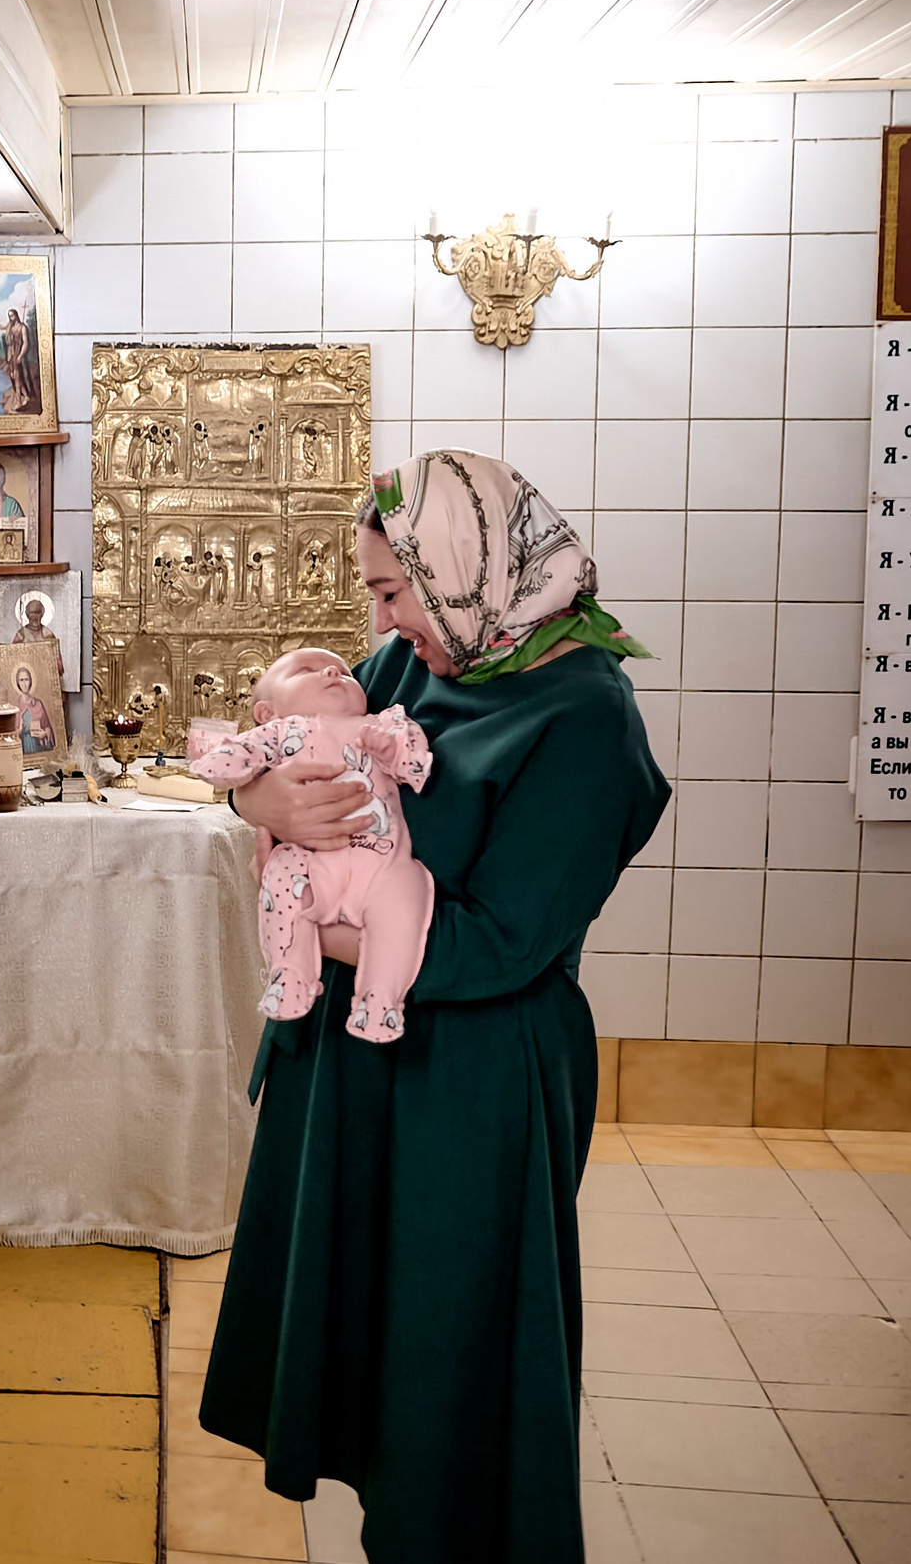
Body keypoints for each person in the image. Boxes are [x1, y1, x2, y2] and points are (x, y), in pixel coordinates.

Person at [199, 449, 666, 1564]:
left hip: (473, 1082)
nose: (379, 622)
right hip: (361, 1061)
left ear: (464, 567)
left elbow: (497, 944)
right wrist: (257, 799)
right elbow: (295, 741)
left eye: (388, 591)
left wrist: (313, 924)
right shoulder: (428, 653)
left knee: (448, 1362)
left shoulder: (586, 715)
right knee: (365, 1341)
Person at [192, 649, 435, 1043]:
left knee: (407, 899)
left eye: (344, 672)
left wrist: (395, 751)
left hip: (383, 866)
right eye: (307, 670)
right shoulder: (284, 731)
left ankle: (380, 1002)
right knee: (283, 871)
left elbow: (415, 763)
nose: (332, 671)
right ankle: (290, 974)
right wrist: (225, 770)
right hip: (315, 863)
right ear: (268, 711)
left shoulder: (384, 722)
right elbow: (244, 754)